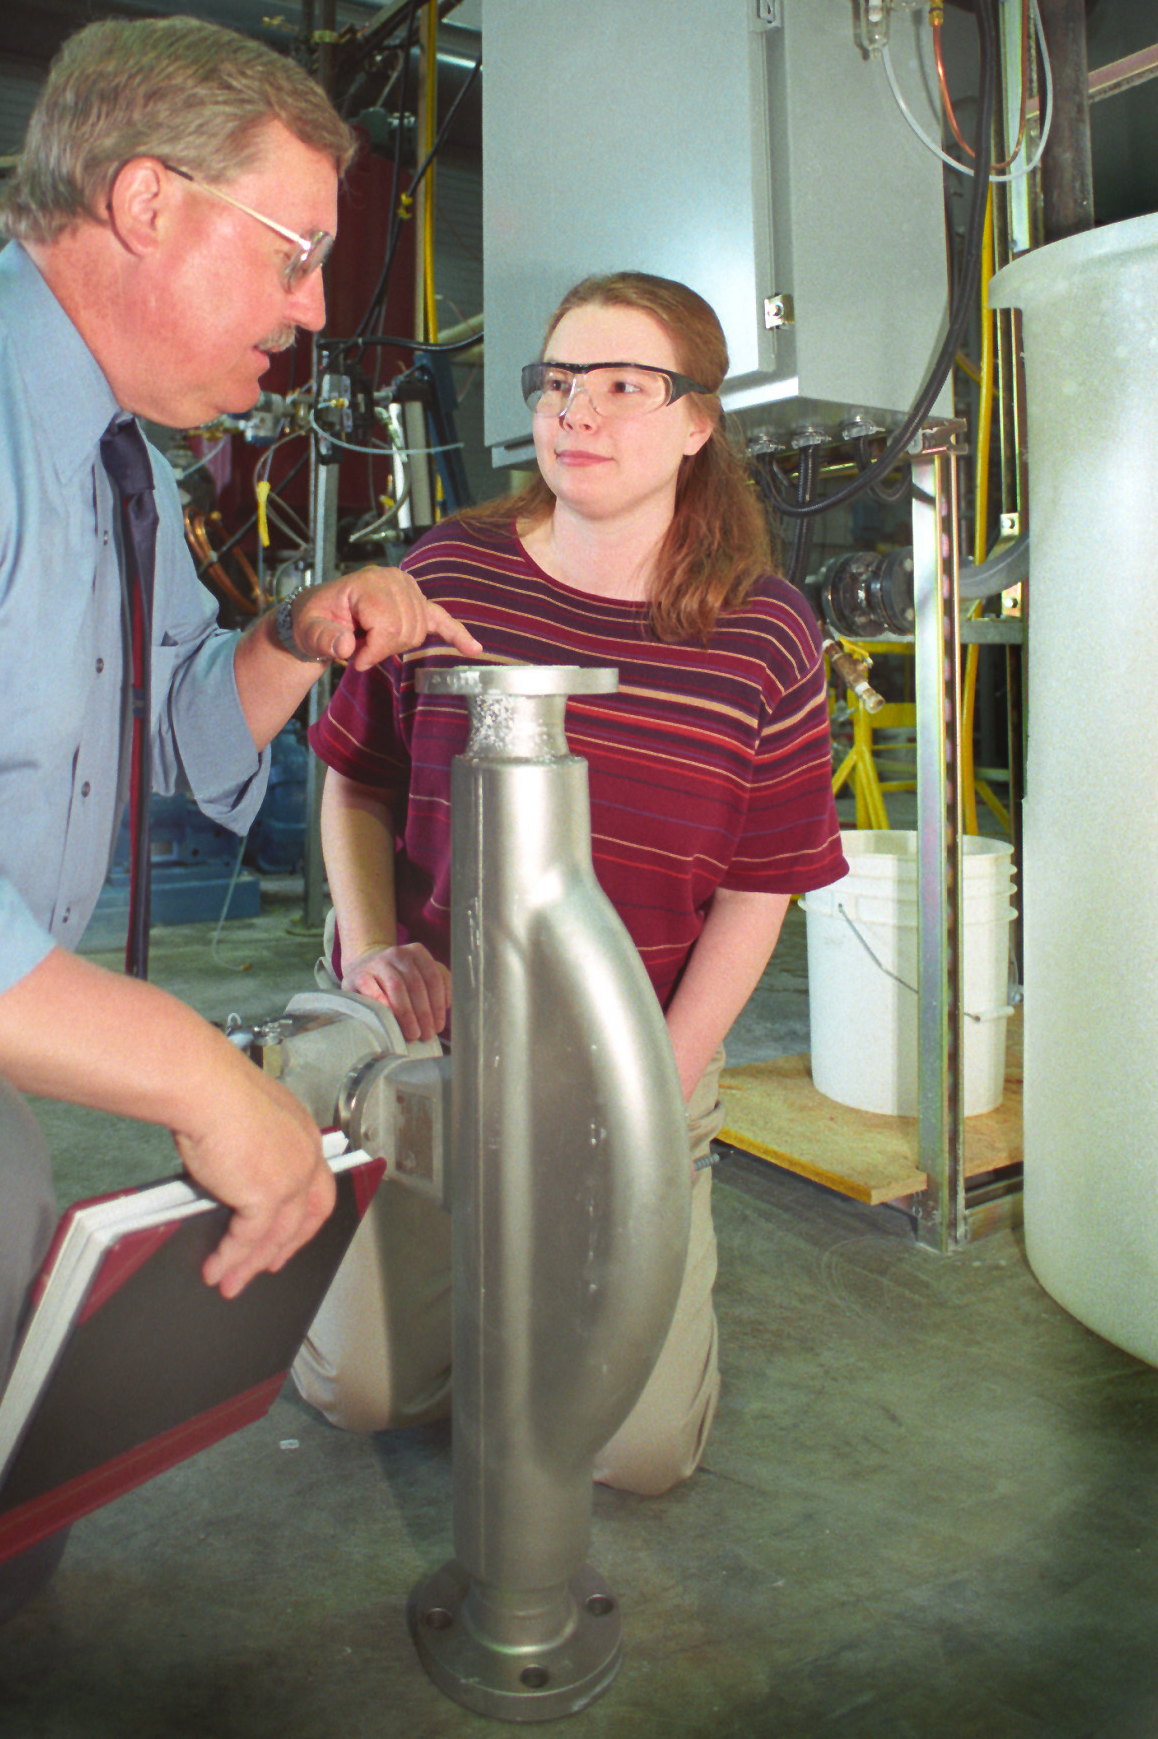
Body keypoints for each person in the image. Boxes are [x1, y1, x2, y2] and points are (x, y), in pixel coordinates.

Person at [0, 14, 481, 1739]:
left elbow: (182, 739)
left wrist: (294, 633)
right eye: (288, 255)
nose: (303, 308)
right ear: (142, 201)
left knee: (9, 1368)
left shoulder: (117, 463)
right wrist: (189, 1062)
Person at [293, 269, 846, 1492]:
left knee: (626, 1453)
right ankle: (430, 1243)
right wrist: (372, 946)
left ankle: (600, 1261)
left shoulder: (762, 632)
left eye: (620, 387)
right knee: (362, 1392)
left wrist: (657, 1079)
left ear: (699, 420)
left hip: (626, 1050)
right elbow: (354, 783)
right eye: (554, 384)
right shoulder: (447, 573)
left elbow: (762, 882)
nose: (574, 414)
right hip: (433, 1044)